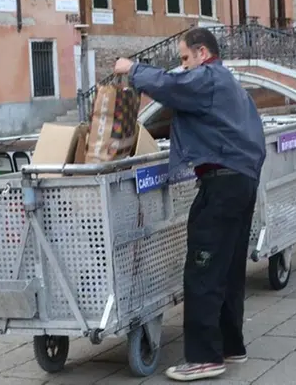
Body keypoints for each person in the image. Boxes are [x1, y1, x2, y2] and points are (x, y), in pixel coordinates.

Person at [113, 27, 266, 382]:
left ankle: (203, 357)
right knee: (227, 270)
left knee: (202, 269)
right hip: (241, 181)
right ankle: (231, 346)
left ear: (201, 53)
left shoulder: (208, 78)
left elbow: (172, 87)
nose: (182, 66)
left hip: (223, 185)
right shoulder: (228, 84)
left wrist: (131, 69)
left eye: (184, 58)